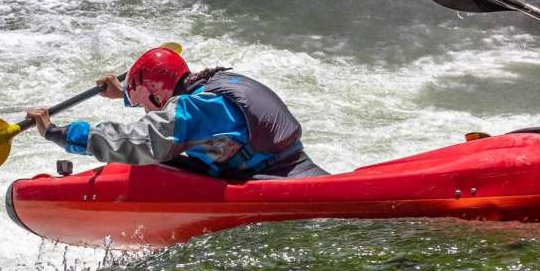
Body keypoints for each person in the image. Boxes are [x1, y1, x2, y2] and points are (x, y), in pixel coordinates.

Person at [25, 46, 328, 179]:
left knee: (147, 163)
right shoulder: (214, 85)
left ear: (158, 93)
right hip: (287, 165)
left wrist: (58, 133)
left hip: (273, 180)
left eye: (144, 104)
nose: (144, 111)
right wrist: (125, 94)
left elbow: (138, 140)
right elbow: (164, 107)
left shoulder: (196, 109)